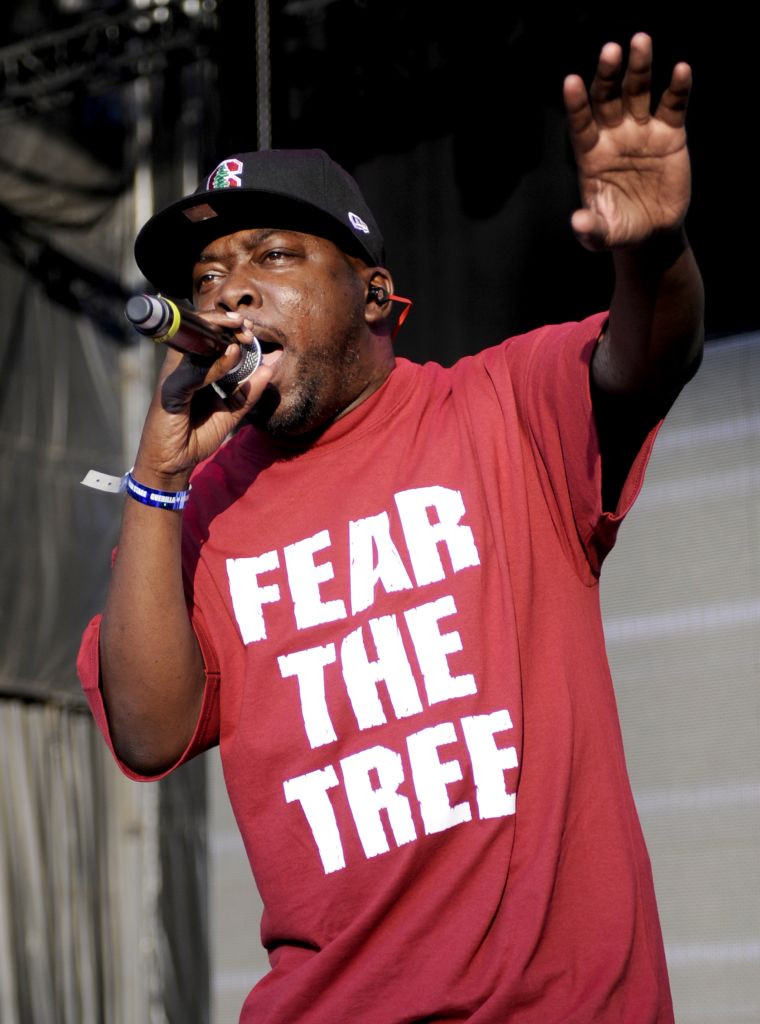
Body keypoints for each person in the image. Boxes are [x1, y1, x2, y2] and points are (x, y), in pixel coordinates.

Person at [78, 33, 703, 1023]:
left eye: (274, 256)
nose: (229, 290)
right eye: (207, 279)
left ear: (373, 292)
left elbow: (649, 354)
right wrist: (156, 482)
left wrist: (654, 252)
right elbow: (150, 735)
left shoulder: (499, 407)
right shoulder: (201, 511)